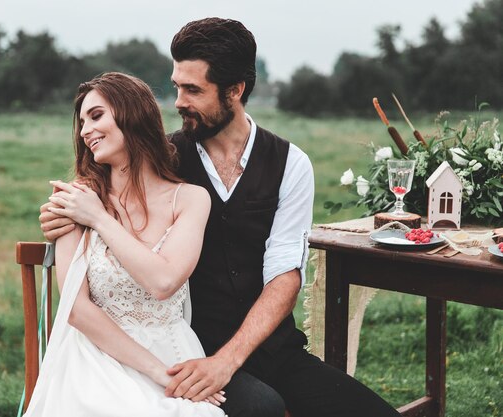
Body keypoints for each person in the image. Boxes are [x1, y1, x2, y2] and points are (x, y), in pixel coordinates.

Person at [41, 18, 401, 417]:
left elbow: (284, 275)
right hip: (192, 345)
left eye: (193, 90)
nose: (178, 102)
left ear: (235, 90)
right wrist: (61, 216)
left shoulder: (290, 164)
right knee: (261, 408)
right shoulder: (162, 159)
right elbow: (111, 192)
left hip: (271, 348)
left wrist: (228, 361)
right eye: (177, 86)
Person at [24, 72, 226, 417]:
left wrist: (99, 220)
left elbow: (163, 282)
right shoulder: (75, 199)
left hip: (174, 351)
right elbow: (75, 309)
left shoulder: (191, 199)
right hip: (96, 358)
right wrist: (155, 373)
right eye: (82, 122)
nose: (86, 130)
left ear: (133, 114)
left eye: (97, 115)